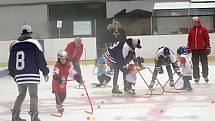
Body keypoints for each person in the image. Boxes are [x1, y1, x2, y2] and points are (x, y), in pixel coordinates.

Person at [8, 25, 49, 121]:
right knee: (33, 95)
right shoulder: (34, 43)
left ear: (21, 33)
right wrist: (45, 71)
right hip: (32, 74)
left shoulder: (14, 45)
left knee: (21, 94)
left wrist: (13, 74)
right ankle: (34, 116)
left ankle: (15, 115)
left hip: (19, 75)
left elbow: (11, 61)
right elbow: (40, 59)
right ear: (30, 33)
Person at [187, 16, 211, 83]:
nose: (192, 23)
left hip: (202, 49)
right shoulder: (191, 30)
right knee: (195, 64)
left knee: (204, 63)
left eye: (193, 21)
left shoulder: (204, 29)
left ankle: (205, 76)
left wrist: (208, 47)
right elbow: (189, 39)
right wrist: (188, 47)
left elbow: (207, 39)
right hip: (194, 49)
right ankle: (196, 77)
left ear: (197, 22)